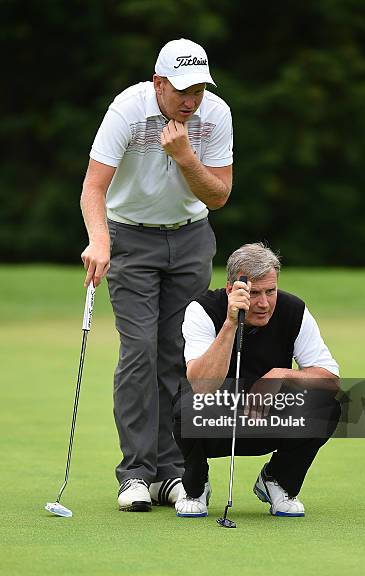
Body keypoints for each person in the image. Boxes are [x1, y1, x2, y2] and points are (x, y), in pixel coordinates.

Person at [80, 38, 233, 511]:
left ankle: (172, 471)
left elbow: (219, 196)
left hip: (190, 238)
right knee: (141, 350)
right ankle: (136, 474)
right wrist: (100, 241)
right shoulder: (127, 110)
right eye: (183, 91)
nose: (192, 101)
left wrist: (187, 156)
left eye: (200, 90)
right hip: (130, 238)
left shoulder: (216, 115)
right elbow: (93, 187)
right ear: (158, 83)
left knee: (180, 352)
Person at [174, 243, 340, 518]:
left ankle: (278, 481)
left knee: (326, 406)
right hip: (215, 423)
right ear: (232, 290)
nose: (263, 303)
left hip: (268, 421)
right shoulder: (202, 310)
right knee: (185, 407)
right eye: (254, 293)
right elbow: (201, 385)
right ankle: (195, 486)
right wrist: (230, 323)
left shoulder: (294, 310)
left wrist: (281, 375)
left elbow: (331, 380)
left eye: (270, 291)